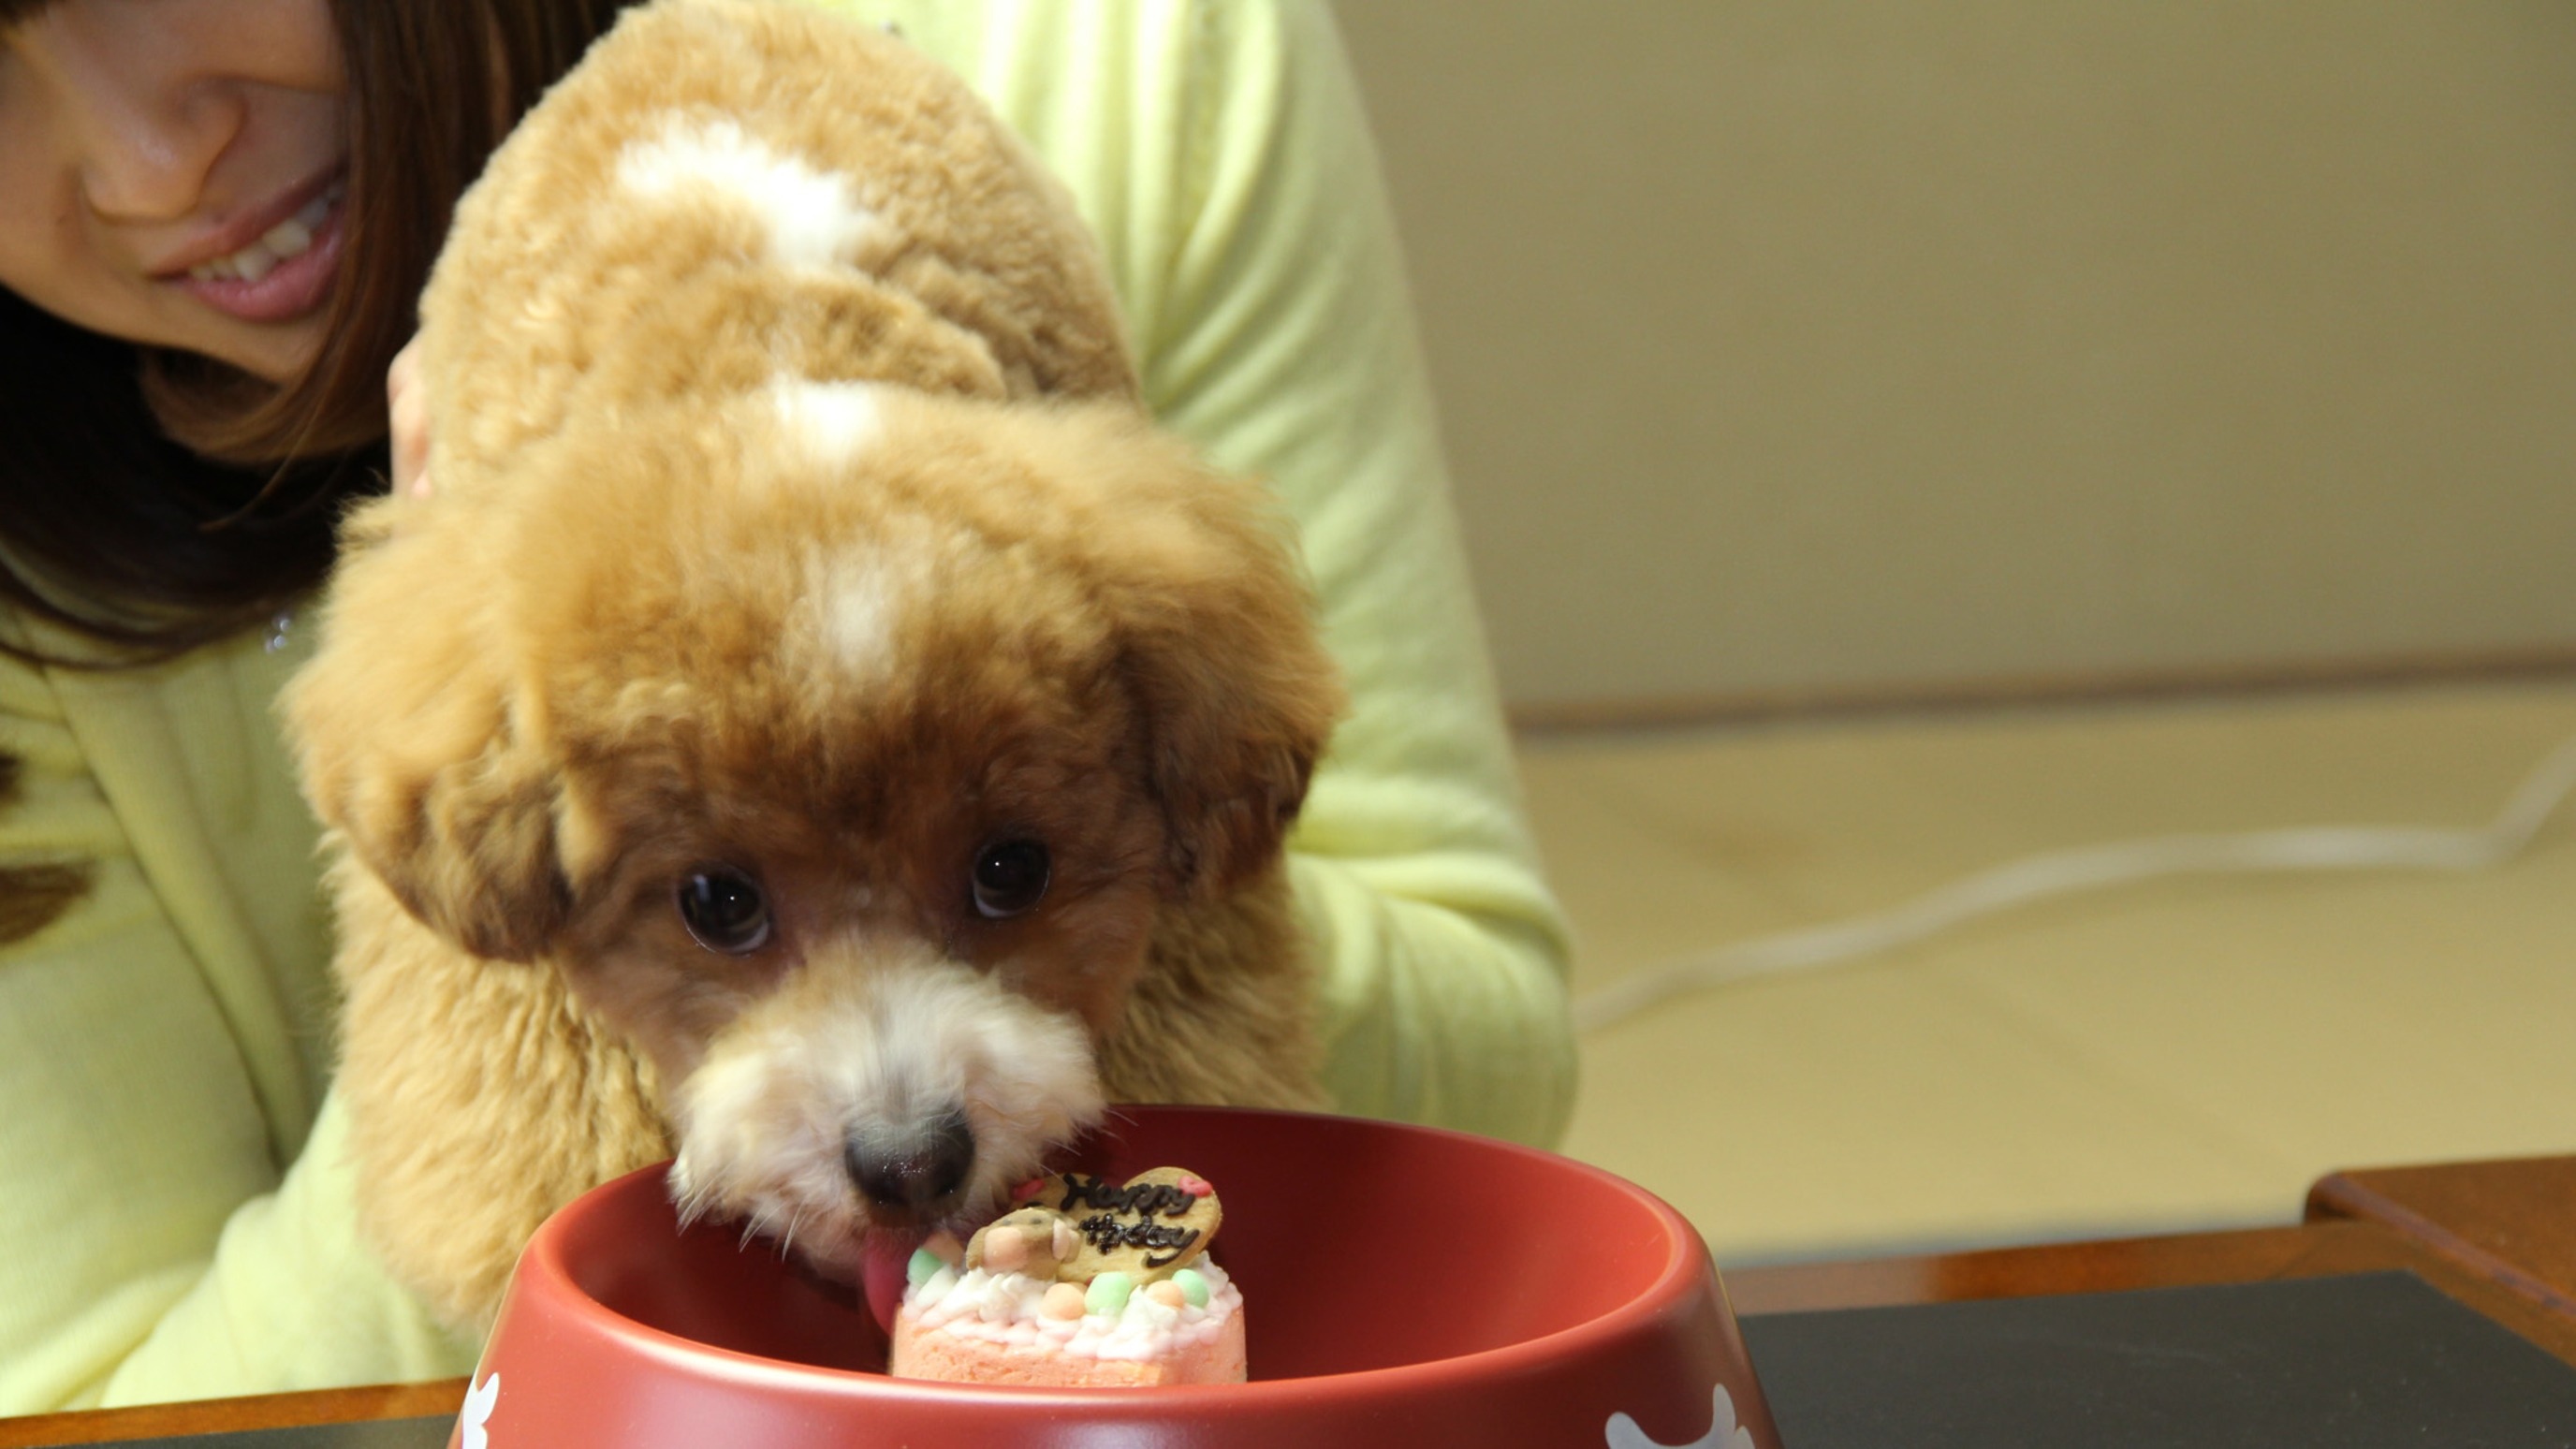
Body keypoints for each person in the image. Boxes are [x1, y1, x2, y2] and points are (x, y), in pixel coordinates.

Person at [0, 0, 1574, 1413]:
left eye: (1004, 874)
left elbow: (1499, 1050)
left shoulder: (1108, 48)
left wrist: (1084, 759)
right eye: (722, 902)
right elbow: (94, 1412)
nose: (147, 160)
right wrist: (522, 973)